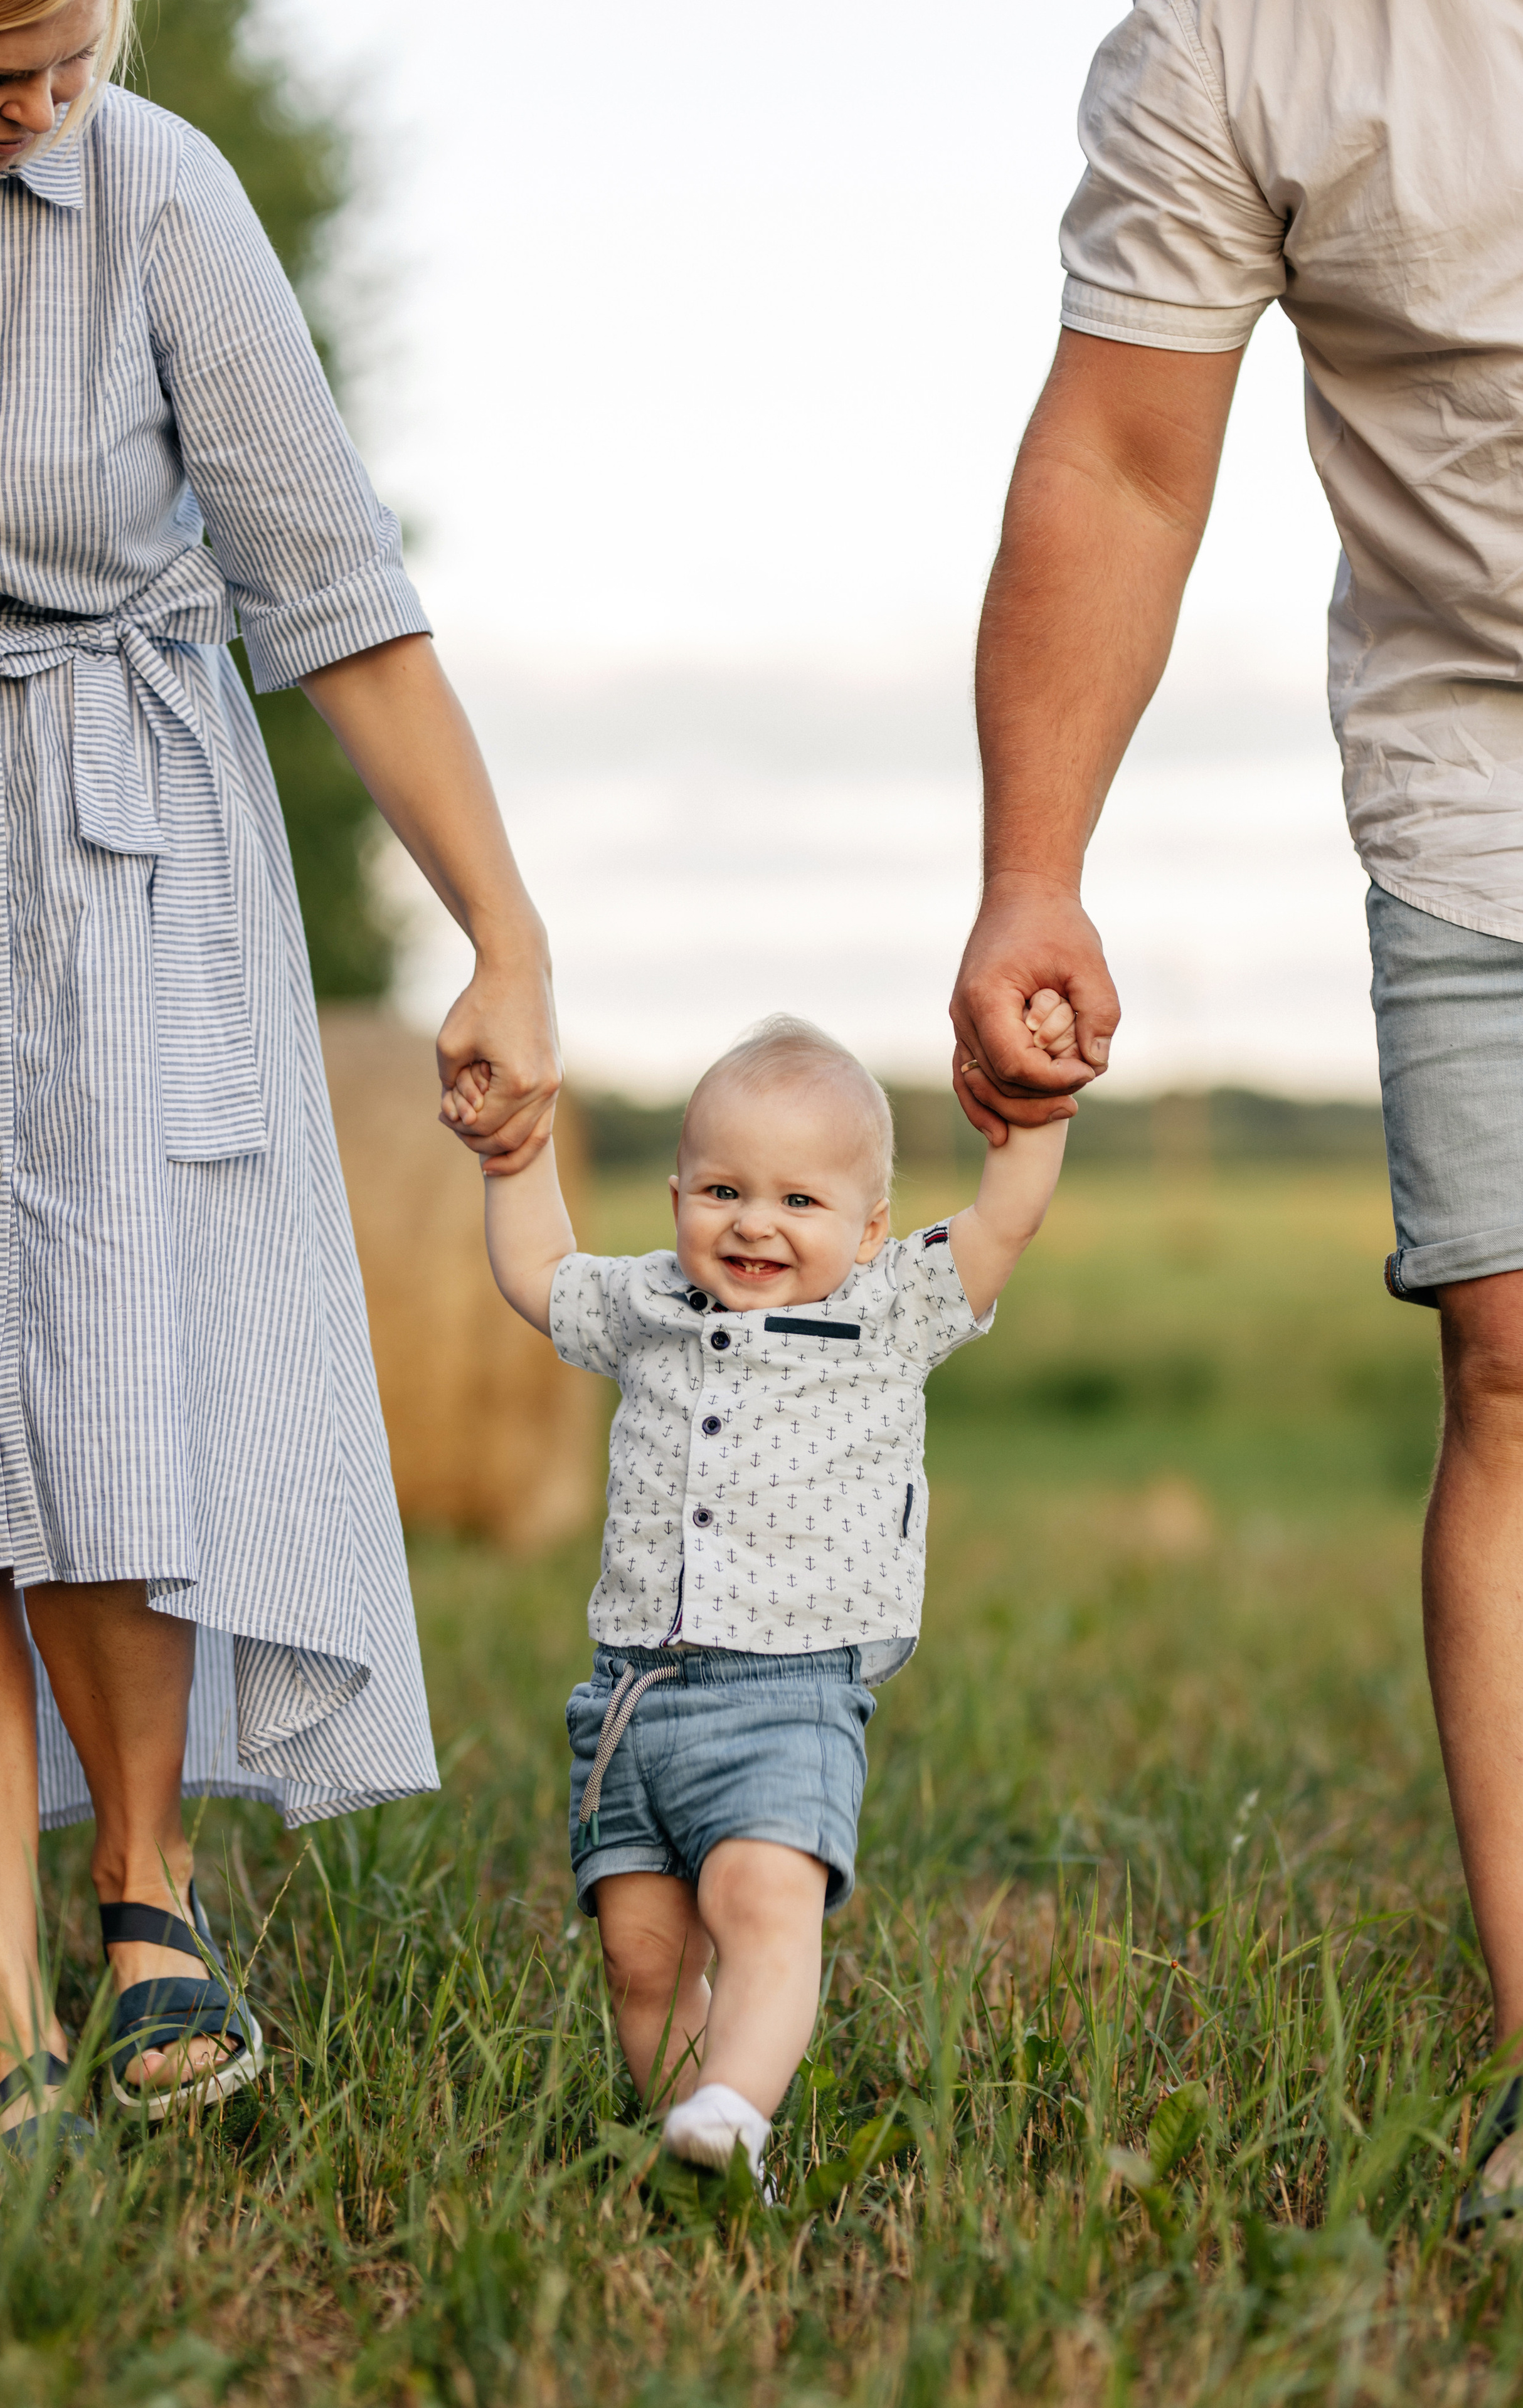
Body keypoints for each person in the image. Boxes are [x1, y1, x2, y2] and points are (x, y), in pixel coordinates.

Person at [0, 0, 558, 2152]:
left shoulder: (156, 189)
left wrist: (503, 926)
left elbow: (336, 592)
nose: (36, 112)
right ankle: (0, 2017)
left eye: (67, 67)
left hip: (114, 832)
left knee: (99, 1379)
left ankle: (143, 1889)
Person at [947, 0, 1523, 2230]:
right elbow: (1121, 455)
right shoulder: (1226, 42)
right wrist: (1032, 865)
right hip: (1485, 766)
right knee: (1511, 1363)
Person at [462, 1008, 1068, 2182]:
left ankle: (740, 2102)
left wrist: (1030, 1118)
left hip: (788, 1700)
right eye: (723, 1190)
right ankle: (699, 2156)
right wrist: (517, 1157)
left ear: (871, 1226)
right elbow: (538, 1273)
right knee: (642, 1962)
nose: (755, 1223)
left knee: (761, 1906)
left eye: (800, 1201)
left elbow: (1003, 1221)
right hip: (629, 1706)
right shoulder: (646, 1308)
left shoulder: (891, 1312)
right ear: (678, 1194)